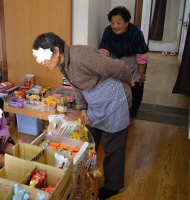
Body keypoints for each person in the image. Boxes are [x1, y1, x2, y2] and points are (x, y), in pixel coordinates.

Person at [32, 32, 134, 199]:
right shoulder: (63, 64)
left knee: (113, 144)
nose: (42, 62)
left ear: (56, 51)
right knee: (88, 139)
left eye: (43, 56)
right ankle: (85, 177)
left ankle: (112, 186)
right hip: (95, 101)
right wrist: (84, 109)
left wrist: (130, 81)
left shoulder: (81, 56)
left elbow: (118, 67)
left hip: (114, 98)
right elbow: (77, 87)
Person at [99, 6, 149, 125]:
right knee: (115, 85)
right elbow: (104, 50)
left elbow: (142, 53)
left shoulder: (135, 32)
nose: (115, 26)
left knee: (136, 85)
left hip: (134, 59)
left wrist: (141, 73)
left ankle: (132, 114)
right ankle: (116, 112)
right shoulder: (108, 31)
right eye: (112, 23)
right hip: (115, 58)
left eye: (119, 23)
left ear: (126, 22)